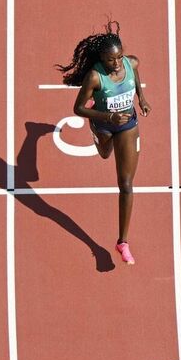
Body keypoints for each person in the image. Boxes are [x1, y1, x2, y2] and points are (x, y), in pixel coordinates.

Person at [57, 22, 151, 266]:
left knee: (126, 184)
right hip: (104, 125)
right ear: (101, 59)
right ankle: (97, 134)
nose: (117, 64)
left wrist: (141, 99)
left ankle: (122, 242)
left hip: (128, 125)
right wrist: (107, 117)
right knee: (104, 154)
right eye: (111, 60)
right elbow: (77, 108)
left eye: (119, 58)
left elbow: (135, 75)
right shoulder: (95, 77)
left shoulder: (131, 63)